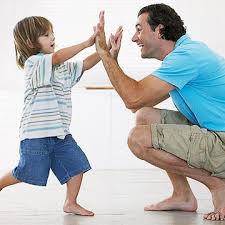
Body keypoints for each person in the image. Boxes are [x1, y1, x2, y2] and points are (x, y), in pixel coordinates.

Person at [95, 4, 225, 221]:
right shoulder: (185, 54)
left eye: (139, 29)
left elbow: (132, 98)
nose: (135, 39)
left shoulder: (186, 57)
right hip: (214, 135)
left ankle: (217, 184)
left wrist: (104, 55)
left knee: (137, 139)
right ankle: (182, 195)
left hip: (221, 142)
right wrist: (113, 60)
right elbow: (138, 105)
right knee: (144, 116)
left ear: (159, 30)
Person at [0, 16, 121, 216]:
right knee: (27, 171)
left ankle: (70, 202)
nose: (52, 37)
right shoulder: (35, 63)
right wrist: (86, 43)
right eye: (46, 35)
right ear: (30, 43)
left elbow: (85, 64)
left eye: (52, 33)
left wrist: (105, 48)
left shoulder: (62, 68)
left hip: (60, 133)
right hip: (35, 134)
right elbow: (56, 58)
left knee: (77, 165)